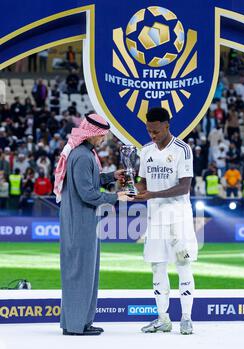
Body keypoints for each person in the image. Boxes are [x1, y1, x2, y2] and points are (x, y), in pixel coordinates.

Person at [54, 113, 131, 336]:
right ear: (94, 134)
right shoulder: (82, 156)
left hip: (82, 220)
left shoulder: (83, 155)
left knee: (84, 271)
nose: (104, 139)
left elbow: (88, 180)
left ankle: (78, 322)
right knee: (80, 271)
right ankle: (77, 326)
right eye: (103, 136)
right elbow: (87, 194)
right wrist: (118, 197)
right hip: (81, 221)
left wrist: (111, 177)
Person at [134, 107, 198, 335]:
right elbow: (142, 181)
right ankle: (163, 318)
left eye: (156, 131)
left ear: (166, 125)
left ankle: (187, 318)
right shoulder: (146, 151)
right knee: (157, 266)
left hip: (178, 218)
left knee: (183, 264)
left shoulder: (183, 150)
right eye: (149, 131)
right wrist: (135, 189)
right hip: (155, 219)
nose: (152, 135)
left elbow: (184, 186)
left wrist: (152, 194)